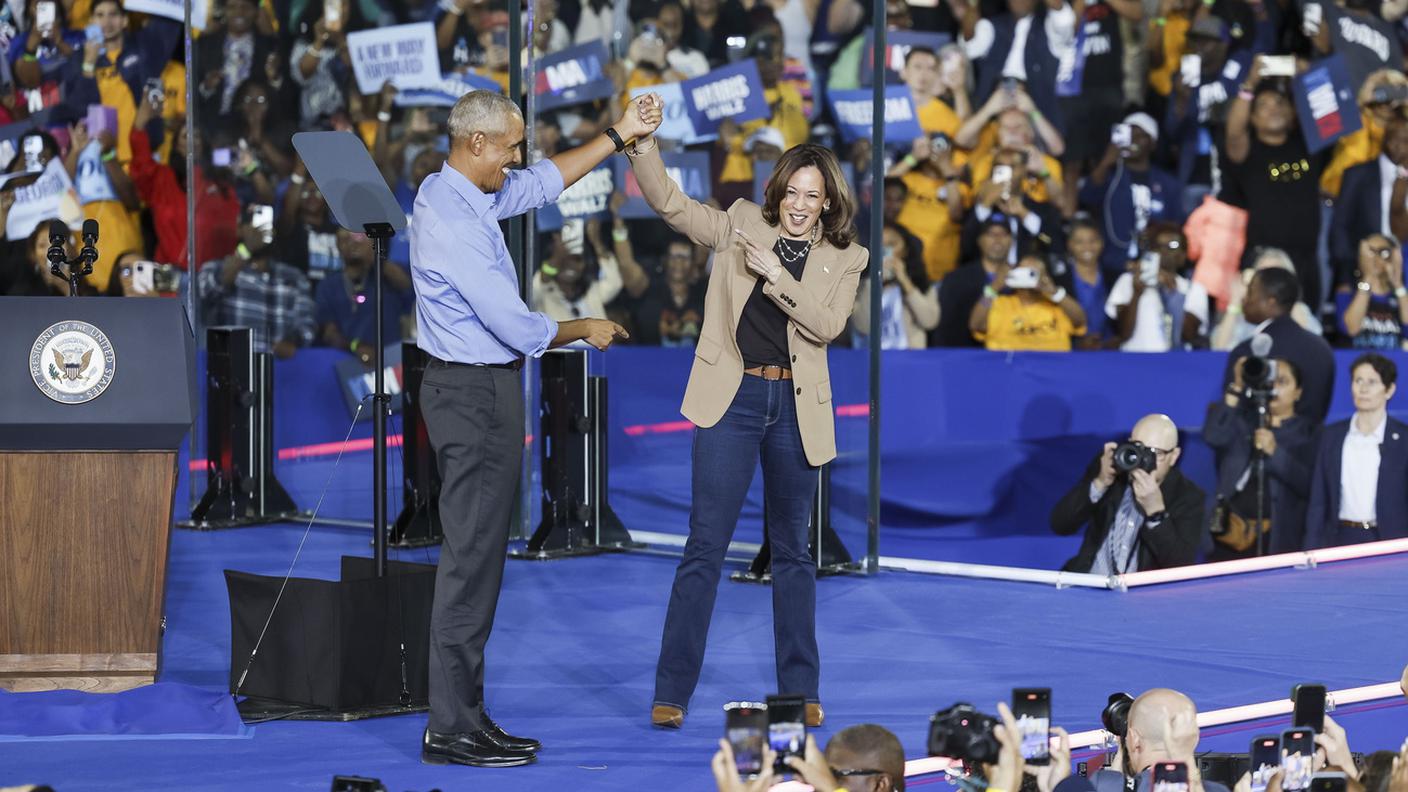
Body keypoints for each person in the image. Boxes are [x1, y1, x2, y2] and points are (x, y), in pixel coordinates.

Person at [411, 89, 654, 768]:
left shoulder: (457, 190)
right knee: (469, 565)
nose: (518, 157)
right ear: (478, 142)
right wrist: (584, 329)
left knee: (480, 560)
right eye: (511, 145)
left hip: (475, 391)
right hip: (474, 393)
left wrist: (620, 133)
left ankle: (465, 712)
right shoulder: (453, 218)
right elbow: (514, 326)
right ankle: (450, 726)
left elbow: (545, 182)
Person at [626, 99, 866, 731]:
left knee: (793, 552)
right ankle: (671, 692)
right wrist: (641, 146)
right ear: (777, 191)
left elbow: (828, 325)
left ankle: (801, 690)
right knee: (704, 546)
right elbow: (672, 206)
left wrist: (775, 279)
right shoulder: (739, 225)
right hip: (730, 400)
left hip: (794, 407)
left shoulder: (847, 258)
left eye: (811, 195)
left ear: (826, 203)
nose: (798, 203)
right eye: (791, 190)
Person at [1223, 63, 1327, 310]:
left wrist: (1309, 76)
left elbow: (1328, 117)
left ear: (1292, 112)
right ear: (1253, 117)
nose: (1273, 110)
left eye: (1280, 103)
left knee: (1307, 325)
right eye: (1264, 106)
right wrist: (1249, 84)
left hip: (1306, 258)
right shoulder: (1249, 152)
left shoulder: (1307, 145)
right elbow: (1234, 132)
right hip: (1262, 257)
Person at [1050, 414, 1206, 574]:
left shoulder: (1188, 496)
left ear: (1173, 456)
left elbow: (1180, 566)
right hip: (1089, 583)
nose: (1145, 459)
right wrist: (1100, 483)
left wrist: (1156, 515)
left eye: (1156, 453)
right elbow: (1060, 525)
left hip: (1139, 595)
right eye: (1138, 447)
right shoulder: (1111, 470)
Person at [1204, 358, 1318, 558]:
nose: (1273, 387)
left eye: (1282, 382)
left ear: (1298, 392)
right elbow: (1213, 436)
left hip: (1278, 537)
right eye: (1270, 380)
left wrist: (1275, 452)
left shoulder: (1309, 433)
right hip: (1229, 531)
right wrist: (1237, 386)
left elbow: (1310, 484)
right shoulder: (1243, 422)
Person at [1304, 354, 1408, 548]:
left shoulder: (1403, 439)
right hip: (1340, 538)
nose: (1363, 389)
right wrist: (1311, 549)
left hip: (1390, 541)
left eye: (1372, 382)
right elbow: (1319, 499)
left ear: (1389, 389)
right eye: (1358, 380)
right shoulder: (1331, 436)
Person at [196, 204, 317, 358]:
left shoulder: (294, 277)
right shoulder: (216, 268)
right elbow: (207, 292)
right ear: (240, 229)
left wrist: (292, 341)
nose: (259, 231)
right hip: (231, 366)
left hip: (279, 368)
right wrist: (247, 249)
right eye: (253, 225)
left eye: (265, 225)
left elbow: (307, 324)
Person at [1223, 268, 1336, 423]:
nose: (1245, 299)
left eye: (1250, 292)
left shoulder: (1247, 352)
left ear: (1271, 302)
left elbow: (1234, 412)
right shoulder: (1321, 348)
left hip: (1257, 443)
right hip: (1312, 444)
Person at [1079, 112, 1184, 278]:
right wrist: (1107, 160)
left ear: (1153, 143)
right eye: (1130, 135)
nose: (1134, 140)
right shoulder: (1111, 177)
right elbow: (1086, 197)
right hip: (1112, 265)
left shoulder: (1168, 184)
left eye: (1141, 136)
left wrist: (1154, 232)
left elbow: (1176, 225)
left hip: (1155, 267)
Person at [1093, 689, 1232, 792]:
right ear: (1193, 739)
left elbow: (1113, 784)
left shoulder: (1104, 785)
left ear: (1134, 739)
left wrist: (1123, 749)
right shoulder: (1217, 790)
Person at [314, 228, 415, 364]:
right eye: (345, 239)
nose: (352, 244)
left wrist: (375, 257)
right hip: (347, 364)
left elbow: (406, 285)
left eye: (358, 238)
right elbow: (329, 334)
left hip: (392, 361)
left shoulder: (388, 275)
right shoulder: (328, 285)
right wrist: (356, 347)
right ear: (337, 245)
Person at [1105, 223, 1210, 352]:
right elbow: (1122, 333)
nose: (1164, 251)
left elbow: (1188, 335)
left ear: (1183, 255)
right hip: (1132, 362)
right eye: (1158, 246)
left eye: (1172, 245)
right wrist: (1136, 294)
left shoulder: (1194, 290)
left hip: (1173, 365)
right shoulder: (1128, 281)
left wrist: (1171, 293)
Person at [1209, 249, 1323, 351]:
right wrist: (1235, 302)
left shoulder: (1298, 310)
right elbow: (1219, 349)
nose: (1269, 282)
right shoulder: (1243, 314)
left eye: (1276, 275)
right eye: (1263, 274)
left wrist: (1290, 302)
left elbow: (1309, 349)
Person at [970, 252, 1086, 350]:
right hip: (1009, 369)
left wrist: (1054, 292)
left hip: (1051, 370)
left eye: (1033, 273)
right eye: (1024, 272)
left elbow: (1080, 320)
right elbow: (976, 324)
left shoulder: (1056, 306)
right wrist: (994, 288)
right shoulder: (1000, 304)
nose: (1028, 277)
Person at [852, 223, 939, 349]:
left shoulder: (921, 284)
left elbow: (930, 321)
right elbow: (863, 326)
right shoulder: (862, 285)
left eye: (891, 245)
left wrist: (905, 283)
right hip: (872, 361)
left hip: (911, 359)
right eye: (879, 245)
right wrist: (873, 282)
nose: (885, 251)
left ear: (905, 250)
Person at [937, 214, 1015, 347]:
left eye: (1003, 234)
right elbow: (945, 328)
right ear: (979, 240)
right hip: (967, 357)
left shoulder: (1021, 278)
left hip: (1010, 355)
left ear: (1011, 240)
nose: (997, 239)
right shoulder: (957, 279)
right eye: (991, 234)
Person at [1336, 233, 1408, 350]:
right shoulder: (1347, 292)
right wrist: (1368, 277)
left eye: (1383, 252)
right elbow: (1351, 329)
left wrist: (1398, 284)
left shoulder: (1400, 295)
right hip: (1357, 360)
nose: (1375, 257)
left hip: (1394, 361)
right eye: (1370, 252)